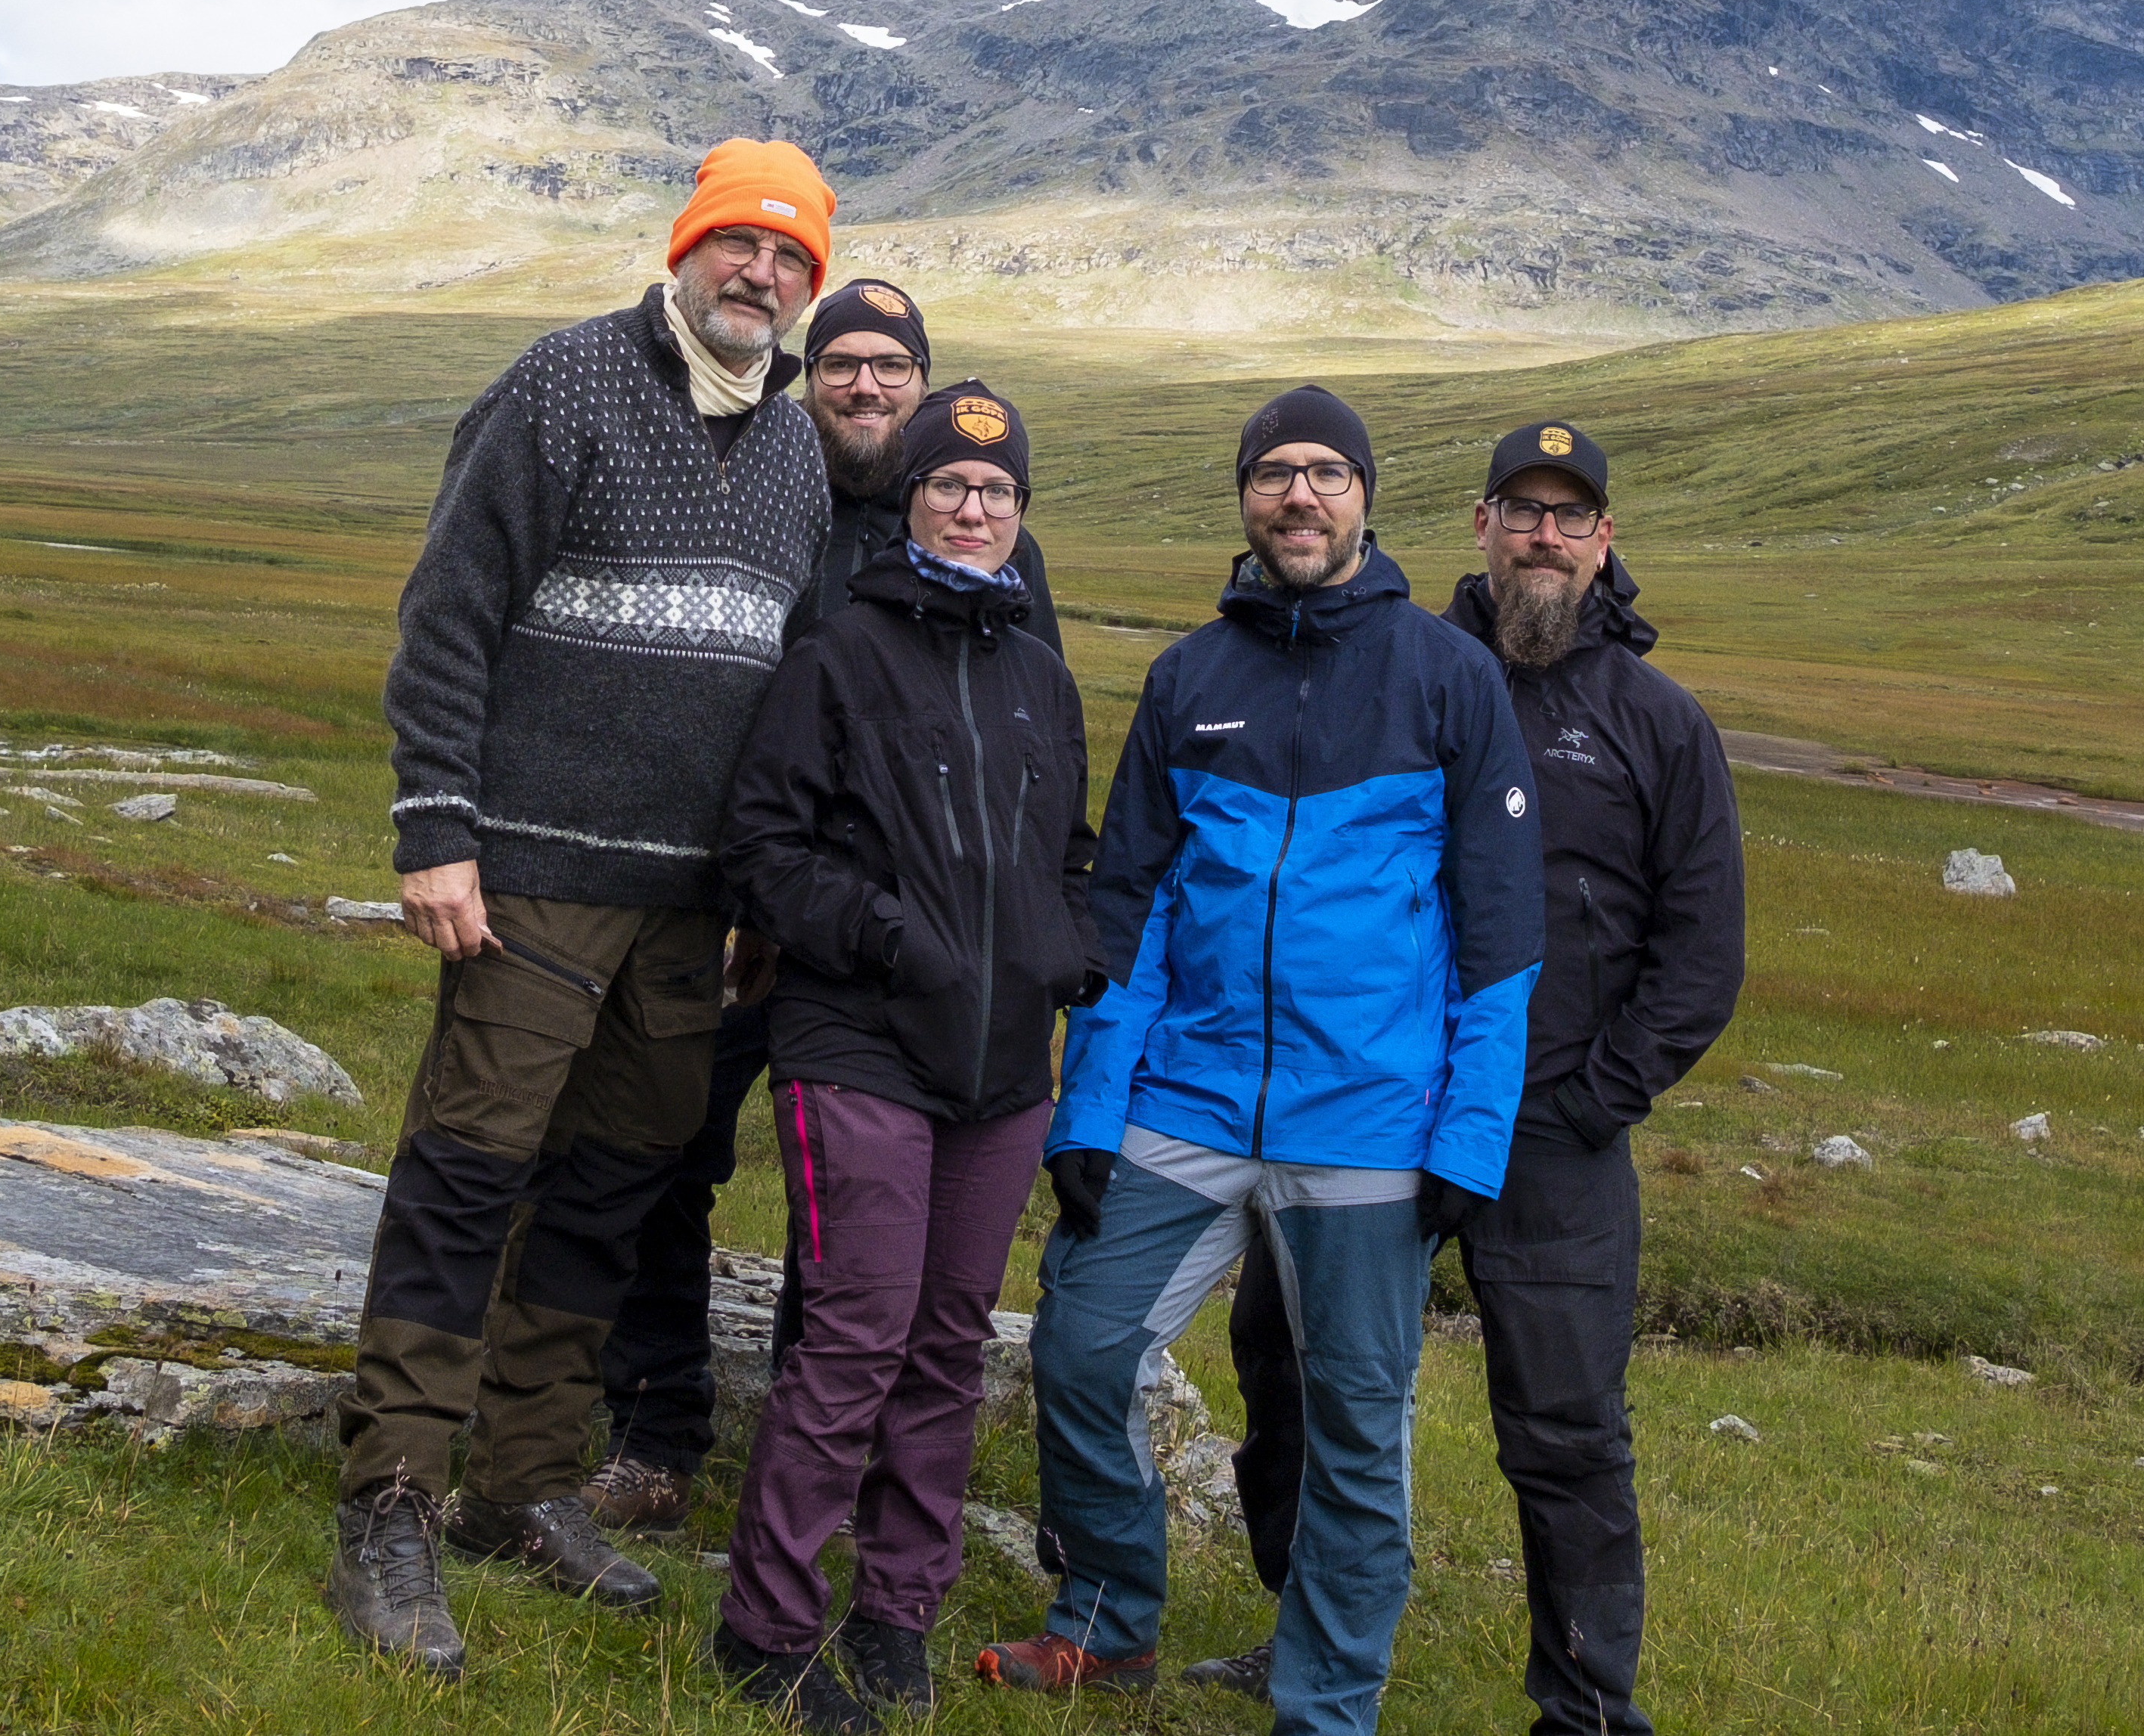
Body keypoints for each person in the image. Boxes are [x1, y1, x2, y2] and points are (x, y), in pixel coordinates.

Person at [325, 138, 838, 1676]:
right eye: (737, 245)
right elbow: (449, 612)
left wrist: (759, 891)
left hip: (686, 913)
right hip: (530, 875)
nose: (759, 277)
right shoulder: (561, 384)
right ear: (684, 249)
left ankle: (523, 1479)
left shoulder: (802, 453)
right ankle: (392, 1497)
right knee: (467, 1176)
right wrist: (436, 831)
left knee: (609, 1191)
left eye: (790, 258)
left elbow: (783, 692)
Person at [982, 385, 1544, 1736]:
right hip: (1187, 1098)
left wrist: (1468, 1141)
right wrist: (1089, 1116)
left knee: (1357, 1430)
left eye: (1326, 473)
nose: (1300, 495)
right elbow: (1131, 910)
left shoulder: (1450, 678)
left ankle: (1327, 1704)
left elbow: (1502, 938)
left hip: (1370, 1123)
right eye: (1275, 473)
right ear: (1244, 496)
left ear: (1366, 497)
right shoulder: (1191, 679)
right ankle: (1107, 1627)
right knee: (1081, 1348)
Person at [1185, 420, 1744, 1734]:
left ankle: (1587, 1704)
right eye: (1521, 509)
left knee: (1564, 1422)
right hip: (1369, 1113)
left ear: (1605, 540)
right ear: (1479, 526)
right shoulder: (1397, 673)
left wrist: (1596, 1098)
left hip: (1553, 1131)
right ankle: (1304, 1636)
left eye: (1572, 514)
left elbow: (1700, 952)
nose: (1545, 534)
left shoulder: (1660, 724)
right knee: (1287, 1364)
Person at [582, 279, 1067, 1533]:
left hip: (880, 958)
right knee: (669, 1147)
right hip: (718, 904)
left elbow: (1034, 744)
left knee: (851, 1204)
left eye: (891, 366)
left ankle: (826, 1455)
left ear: (924, 389)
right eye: (842, 361)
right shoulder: (763, 492)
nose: (866, 384)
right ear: (808, 375)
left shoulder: (988, 541)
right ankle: (657, 1428)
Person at [707, 380, 1103, 1733]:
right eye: (950, 485)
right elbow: (763, 848)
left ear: (1020, 516)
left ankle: (895, 1615)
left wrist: (1071, 948)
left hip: (1003, 1070)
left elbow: (1070, 860)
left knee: (947, 1346)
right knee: (858, 1338)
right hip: (859, 1043)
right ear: (911, 502)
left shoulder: (1044, 678)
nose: (975, 507)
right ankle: (766, 1628)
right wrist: (888, 937)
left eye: (999, 492)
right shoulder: (839, 655)